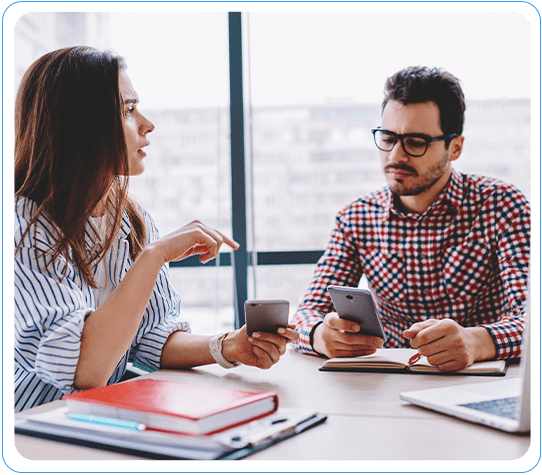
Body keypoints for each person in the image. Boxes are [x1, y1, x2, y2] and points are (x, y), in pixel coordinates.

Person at [14, 46, 298, 413]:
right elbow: (86, 370)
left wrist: (230, 346)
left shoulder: (131, 219)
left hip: (98, 420)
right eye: (128, 110)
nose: (147, 124)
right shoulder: (23, 225)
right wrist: (155, 255)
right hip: (31, 427)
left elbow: (152, 338)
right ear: (81, 123)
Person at [292, 66, 531, 372]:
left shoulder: (502, 206)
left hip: (480, 382)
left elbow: (530, 316)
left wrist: (477, 342)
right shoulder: (356, 218)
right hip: (387, 386)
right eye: (388, 138)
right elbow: (307, 312)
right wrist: (319, 336)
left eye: (416, 142)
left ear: (455, 147)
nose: (395, 156)